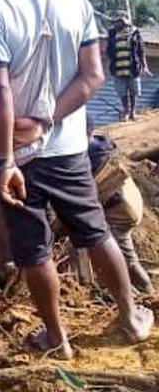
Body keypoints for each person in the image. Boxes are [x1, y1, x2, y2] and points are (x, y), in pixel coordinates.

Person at [0, 0, 152, 360]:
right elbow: (93, 76)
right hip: (70, 147)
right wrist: (49, 118)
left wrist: (8, 159)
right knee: (95, 233)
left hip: (19, 156)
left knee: (34, 250)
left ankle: (57, 337)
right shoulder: (74, 0)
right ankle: (131, 318)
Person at [87, 119, 154, 293]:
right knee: (126, 256)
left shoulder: (88, 154)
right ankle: (141, 292)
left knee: (120, 259)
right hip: (132, 201)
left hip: (121, 211)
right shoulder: (103, 144)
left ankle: (142, 295)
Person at [107, 14, 150, 122]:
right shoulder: (112, 34)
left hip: (132, 67)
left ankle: (132, 112)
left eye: (119, 22)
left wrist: (144, 65)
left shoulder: (135, 33)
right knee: (122, 92)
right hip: (118, 68)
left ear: (125, 23)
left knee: (133, 91)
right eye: (116, 22)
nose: (116, 24)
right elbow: (108, 51)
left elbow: (141, 50)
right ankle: (126, 111)